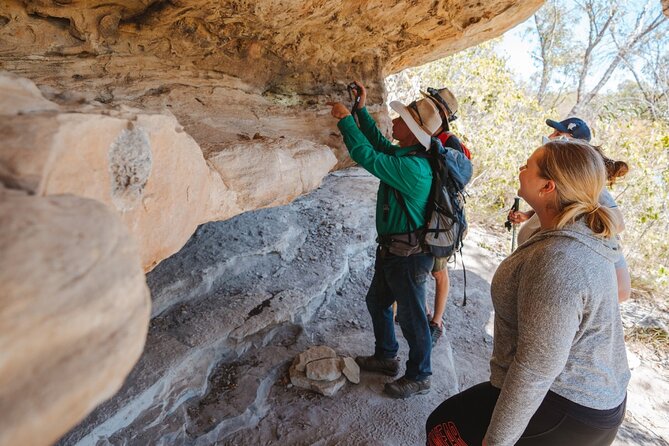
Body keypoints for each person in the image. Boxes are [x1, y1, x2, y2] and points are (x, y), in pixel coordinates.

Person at [426, 139, 630, 446]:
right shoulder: (573, 226)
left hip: (572, 404)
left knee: (444, 429)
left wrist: (496, 441)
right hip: (593, 394)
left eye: (528, 165)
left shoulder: (559, 262)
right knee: (445, 420)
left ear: (548, 187)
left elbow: (536, 369)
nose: (521, 168)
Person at [328, 81, 447, 398]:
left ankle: (420, 375)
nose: (394, 122)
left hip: (408, 257)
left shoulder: (414, 169)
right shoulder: (408, 153)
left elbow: (368, 156)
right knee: (378, 302)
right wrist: (359, 111)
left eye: (401, 120)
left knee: (411, 318)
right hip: (394, 251)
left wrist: (344, 121)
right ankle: (385, 357)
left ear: (411, 130)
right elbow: (380, 145)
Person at [508, 117, 631, 302]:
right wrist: (529, 215)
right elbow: (563, 205)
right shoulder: (565, 181)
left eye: (558, 134)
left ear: (573, 143)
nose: (551, 136)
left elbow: (617, 222)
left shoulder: (587, 181)